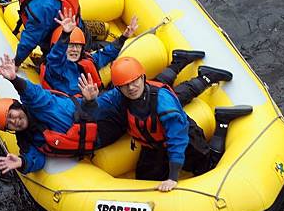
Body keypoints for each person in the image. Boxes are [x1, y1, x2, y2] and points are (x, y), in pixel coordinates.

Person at [101, 56, 253, 192]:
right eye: (125, 85)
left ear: (142, 77)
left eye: (134, 81)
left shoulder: (163, 101)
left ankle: (222, 122)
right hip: (153, 147)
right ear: (119, 87)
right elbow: (100, 103)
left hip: (184, 138)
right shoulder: (119, 94)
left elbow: (177, 139)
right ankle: (201, 77)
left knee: (208, 168)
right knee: (145, 179)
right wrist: (89, 101)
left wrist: (173, 177)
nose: (131, 88)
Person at [0, 54, 126, 174]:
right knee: (129, 124)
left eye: (11, 115)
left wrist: (14, 79)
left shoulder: (37, 103)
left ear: (17, 106)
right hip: (100, 135)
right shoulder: (26, 140)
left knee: (129, 92)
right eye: (9, 124)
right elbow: (36, 159)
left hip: (96, 108)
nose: (14, 121)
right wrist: (22, 162)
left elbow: (30, 92)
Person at [39, 7, 139, 95]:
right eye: (71, 46)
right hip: (74, 106)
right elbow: (55, 56)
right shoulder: (55, 66)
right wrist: (65, 35)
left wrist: (124, 37)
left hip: (93, 99)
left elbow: (106, 54)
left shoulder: (86, 60)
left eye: (78, 46)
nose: (75, 50)